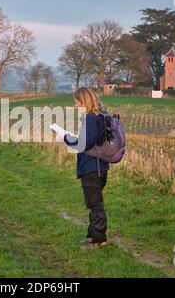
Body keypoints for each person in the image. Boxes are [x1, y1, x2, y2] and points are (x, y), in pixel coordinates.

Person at [56, 87, 110, 248]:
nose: (76, 105)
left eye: (77, 102)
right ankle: (92, 235)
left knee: (95, 205)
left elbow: (83, 145)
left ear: (84, 101)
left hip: (91, 168)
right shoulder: (100, 115)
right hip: (100, 166)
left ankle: (99, 240)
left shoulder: (91, 118)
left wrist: (65, 137)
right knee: (94, 203)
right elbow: (90, 141)